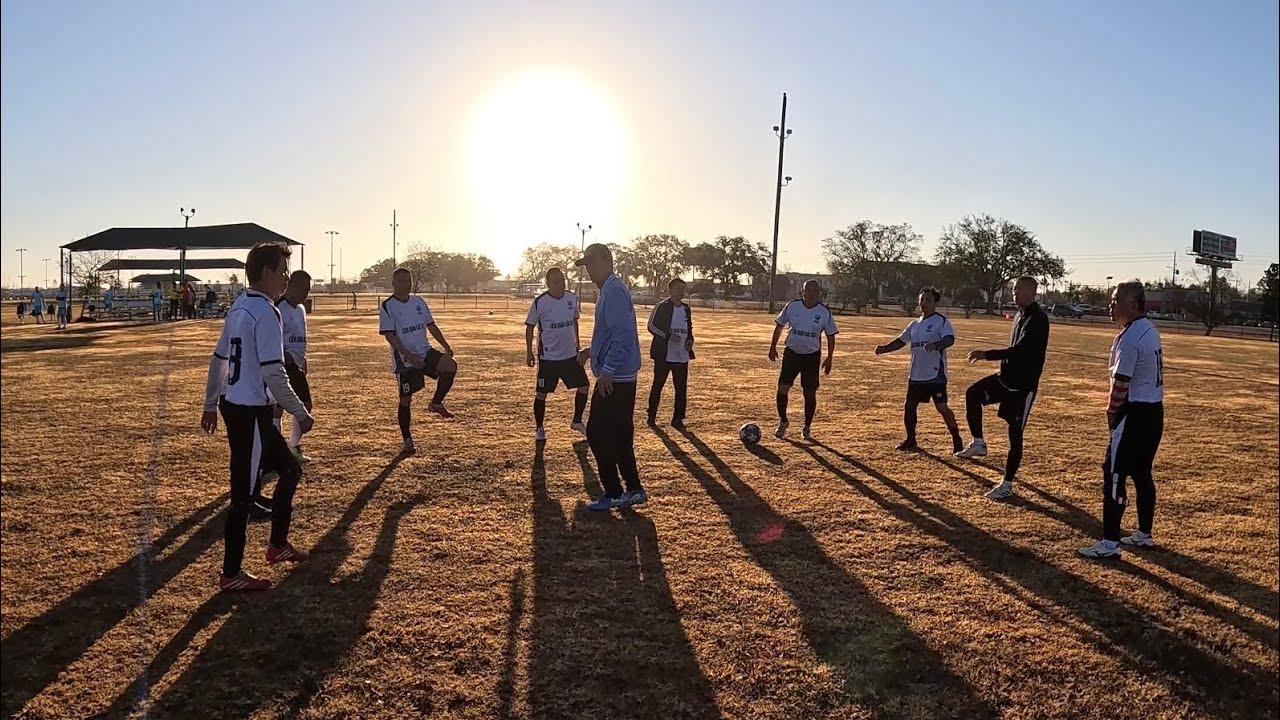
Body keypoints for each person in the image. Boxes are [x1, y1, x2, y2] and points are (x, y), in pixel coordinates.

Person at [200, 241, 313, 592]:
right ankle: (230, 574)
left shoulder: (239, 306)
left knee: (290, 468)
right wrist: (300, 411)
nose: (286, 277)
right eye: (282, 270)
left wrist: (210, 403)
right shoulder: (266, 312)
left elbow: (219, 359)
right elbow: (273, 372)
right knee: (243, 495)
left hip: (244, 408)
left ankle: (277, 545)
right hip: (248, 411)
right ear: (266, 272)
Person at [1079, 281, 1165, 559]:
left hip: (1134, 412)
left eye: (1116, 301)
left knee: (1114, 473)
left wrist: (1112, 413)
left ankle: (1110, 543)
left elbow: (1121, 384)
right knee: (1141, 472)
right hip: (1153, 410)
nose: (1111, 306)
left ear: (1133, 305)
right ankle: (1144, 533)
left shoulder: (1131, 338)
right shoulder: (1149, 329)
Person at [956, 276, 1050, 499]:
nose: (1014, 293)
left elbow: (1020, 351)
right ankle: (978, 443)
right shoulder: (1019, 315)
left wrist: (987, 355)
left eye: (1018, 289)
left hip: (1022, 388)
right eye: (1013, 289)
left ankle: (1007, 484)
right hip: (1005, 379)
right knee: (973, 393)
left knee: (1014, 435)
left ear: (1031, 292)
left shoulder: (1038, 319)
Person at [574, 243, 646, 511]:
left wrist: (608, 371)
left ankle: (615, 492)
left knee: (596, 432)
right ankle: (634, 489)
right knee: (620, 434)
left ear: (607, 260)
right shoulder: (609, 289)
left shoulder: (613, 291)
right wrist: (591, 351)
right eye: (586, 266)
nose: (589, 271)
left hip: (616, 377)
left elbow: (622, 335)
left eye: (592, 264)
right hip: (620, 375)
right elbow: (611, 334)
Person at [379, 267, 459, 455]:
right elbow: (390, 336)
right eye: (401, 281)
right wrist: (410, 356)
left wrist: (446, 346)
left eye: (408, 281)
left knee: (450, 366)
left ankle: (436, 403)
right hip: (405, 360)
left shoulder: (419, 302)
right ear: (393, 283)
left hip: (425, 351)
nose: (405, 284)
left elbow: (431, 326)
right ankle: (407, 440)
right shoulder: (388, 306)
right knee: (406, 399)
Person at [874, 286, 964, 453]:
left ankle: (956, 438)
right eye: (921, 299)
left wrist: (937, 345)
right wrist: (885, 348)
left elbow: (949, 339)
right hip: (916, 374)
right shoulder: (914, 324)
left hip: (935, 374)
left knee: (942, 408)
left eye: (928, 300)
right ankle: (911, 440)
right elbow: (901, 341)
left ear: (935, 303)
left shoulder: (941, 321)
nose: (924, 303)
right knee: (909, 406)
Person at [524, 266, 589, 442]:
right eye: (556, 282)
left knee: (584, 386)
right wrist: (529, 352)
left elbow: (574, 321)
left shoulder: (571, 298)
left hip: (570, 356)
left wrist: (577, 343)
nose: (560, 284)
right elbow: (530, 327)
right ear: (548, 283)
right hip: (548, 358)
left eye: (562, 281)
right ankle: (539, 428)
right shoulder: (540, 302)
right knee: (541, 394)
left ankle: (577, 421)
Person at [769, 279, 838, 441]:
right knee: (782, 389)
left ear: (819, 294)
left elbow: (830, 336)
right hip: (791, 354)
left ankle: (807, 427)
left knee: (809, 393)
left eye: (816, 291)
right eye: (809, 290)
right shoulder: (792, 306)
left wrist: (829, 358)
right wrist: (772, 347)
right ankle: (783, 421)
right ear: (802, 292)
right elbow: (779, 327)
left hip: (811, 356)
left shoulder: (824, 312)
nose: (812, 294)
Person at [274, 271, 314, 462]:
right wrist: (285, 356)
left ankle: (292, 447)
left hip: (296, 365)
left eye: (308, 290)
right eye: (304, 289)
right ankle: (279, 451)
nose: (306, 294)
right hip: (283, 365)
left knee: (304, 405)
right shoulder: (278, 308)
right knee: (279, 408)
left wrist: (302, 358)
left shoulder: (301, 309)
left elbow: (299, 337)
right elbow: (271, 338)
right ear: (292, 286)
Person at [646, 277, 696, 430]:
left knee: (681, 388)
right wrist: (667, 336)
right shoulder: (662, 307)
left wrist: (690, 340)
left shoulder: (686, 309)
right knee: (658, 385)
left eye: (683, 288)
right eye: (678, 288)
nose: (681, 291)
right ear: (670, 290)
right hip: (664, 355)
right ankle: (651, 416)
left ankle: (678, 418)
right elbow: (651, 326)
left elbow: (689, 329)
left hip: (681, 355)